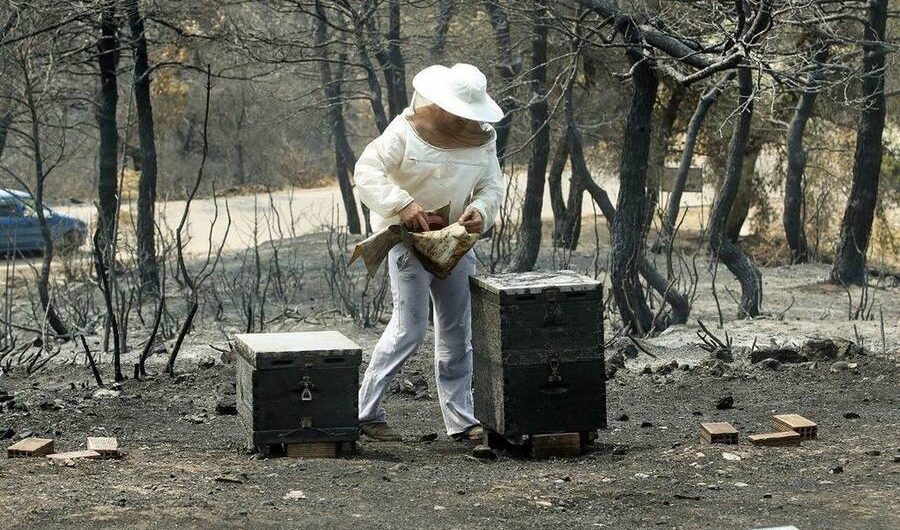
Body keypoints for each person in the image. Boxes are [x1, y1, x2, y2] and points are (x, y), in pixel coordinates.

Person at [353, 63, 504, 442]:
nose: (460, 119)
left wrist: (480, 211)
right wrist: (402, 204)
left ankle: (461, 421)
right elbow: (367, 170)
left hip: (454, 239)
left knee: (457, 331)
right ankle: (364, 412)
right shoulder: (406, 129)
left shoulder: (484, 138)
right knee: (410, 328)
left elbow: (491, 185)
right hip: (406, 238)